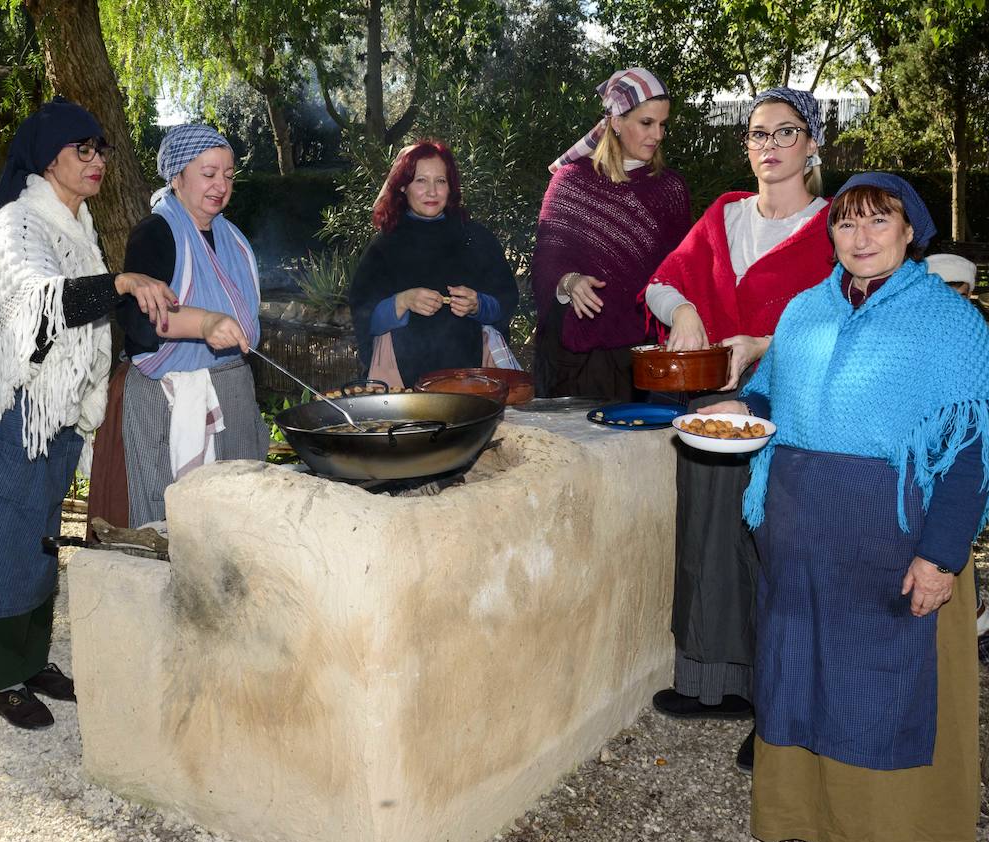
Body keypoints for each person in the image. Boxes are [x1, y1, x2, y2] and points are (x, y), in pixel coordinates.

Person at [711, 173, 989, 842]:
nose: (860, 237)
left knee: (878, 686)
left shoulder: (947, 324)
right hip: (799, 531)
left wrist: (941, 555)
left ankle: (872, 841)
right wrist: (738, 402)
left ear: (910, 232)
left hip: (894, 538)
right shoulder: (805, 312)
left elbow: (976, 448)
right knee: (798, 667)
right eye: (848, 223)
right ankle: (795, 808)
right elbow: (771, 393)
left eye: (878, 222)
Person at [0, 98, 178, 729]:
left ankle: (28, 655)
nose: (96, 161)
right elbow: (40, 304)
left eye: (100, 149)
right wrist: (118, 284)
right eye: (81, 150)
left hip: (47, 408)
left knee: (34, 537)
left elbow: (81, 325)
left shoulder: (78, 229)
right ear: (47, 159)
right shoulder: (16, 226)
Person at [645, 89, 834, 760]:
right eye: (759, 134)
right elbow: (659, 282)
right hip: (711, 408)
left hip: (796, 411)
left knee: (775, 544)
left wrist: (761, 344)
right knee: (706, 532)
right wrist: (686, 310)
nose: (771, 146)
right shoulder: (725, 214)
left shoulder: (837, 226)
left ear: (813, 143)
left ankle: (776, 700)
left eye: (787, 133)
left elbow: (847, 324)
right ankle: (709, 681)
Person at [87, 124, 270, 531]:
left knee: (238, 519)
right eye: (208, 173)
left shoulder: (234, 241)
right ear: (176, 177)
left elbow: (246, 318)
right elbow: (138, 321)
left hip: (232, 392)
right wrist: (205, 323)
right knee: (167, 522)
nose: (221, 184)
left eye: (228, 174)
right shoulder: (155, 233)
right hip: (164, 400)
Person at [531, 68, 692, 401]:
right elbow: (545, 264)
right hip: (575, 359)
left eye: (663, 125)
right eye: (647, 123)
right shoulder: (570, 183)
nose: (658, 134)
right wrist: (569, 282)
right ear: (616, 122)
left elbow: (680, 271)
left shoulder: (671, 189)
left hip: (645, 359)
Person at [348, 139, 520, 389]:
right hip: (399, 377)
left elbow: (505, 301)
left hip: (473, 376)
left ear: (451, 187)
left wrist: (478, 304)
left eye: (440, 181)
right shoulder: (385, 247)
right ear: (403, 187)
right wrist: (402, 301)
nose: (432, 191)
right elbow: (365, 318)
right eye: (421, 181)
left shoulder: (475, 238)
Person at [925, 252, 989, 671]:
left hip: (960, 452)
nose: (947, 296)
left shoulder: (972, 333)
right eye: (938, 286)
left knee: (955, 540)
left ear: (970, 291)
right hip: (918, 455)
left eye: (955, 288)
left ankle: (977, 626)